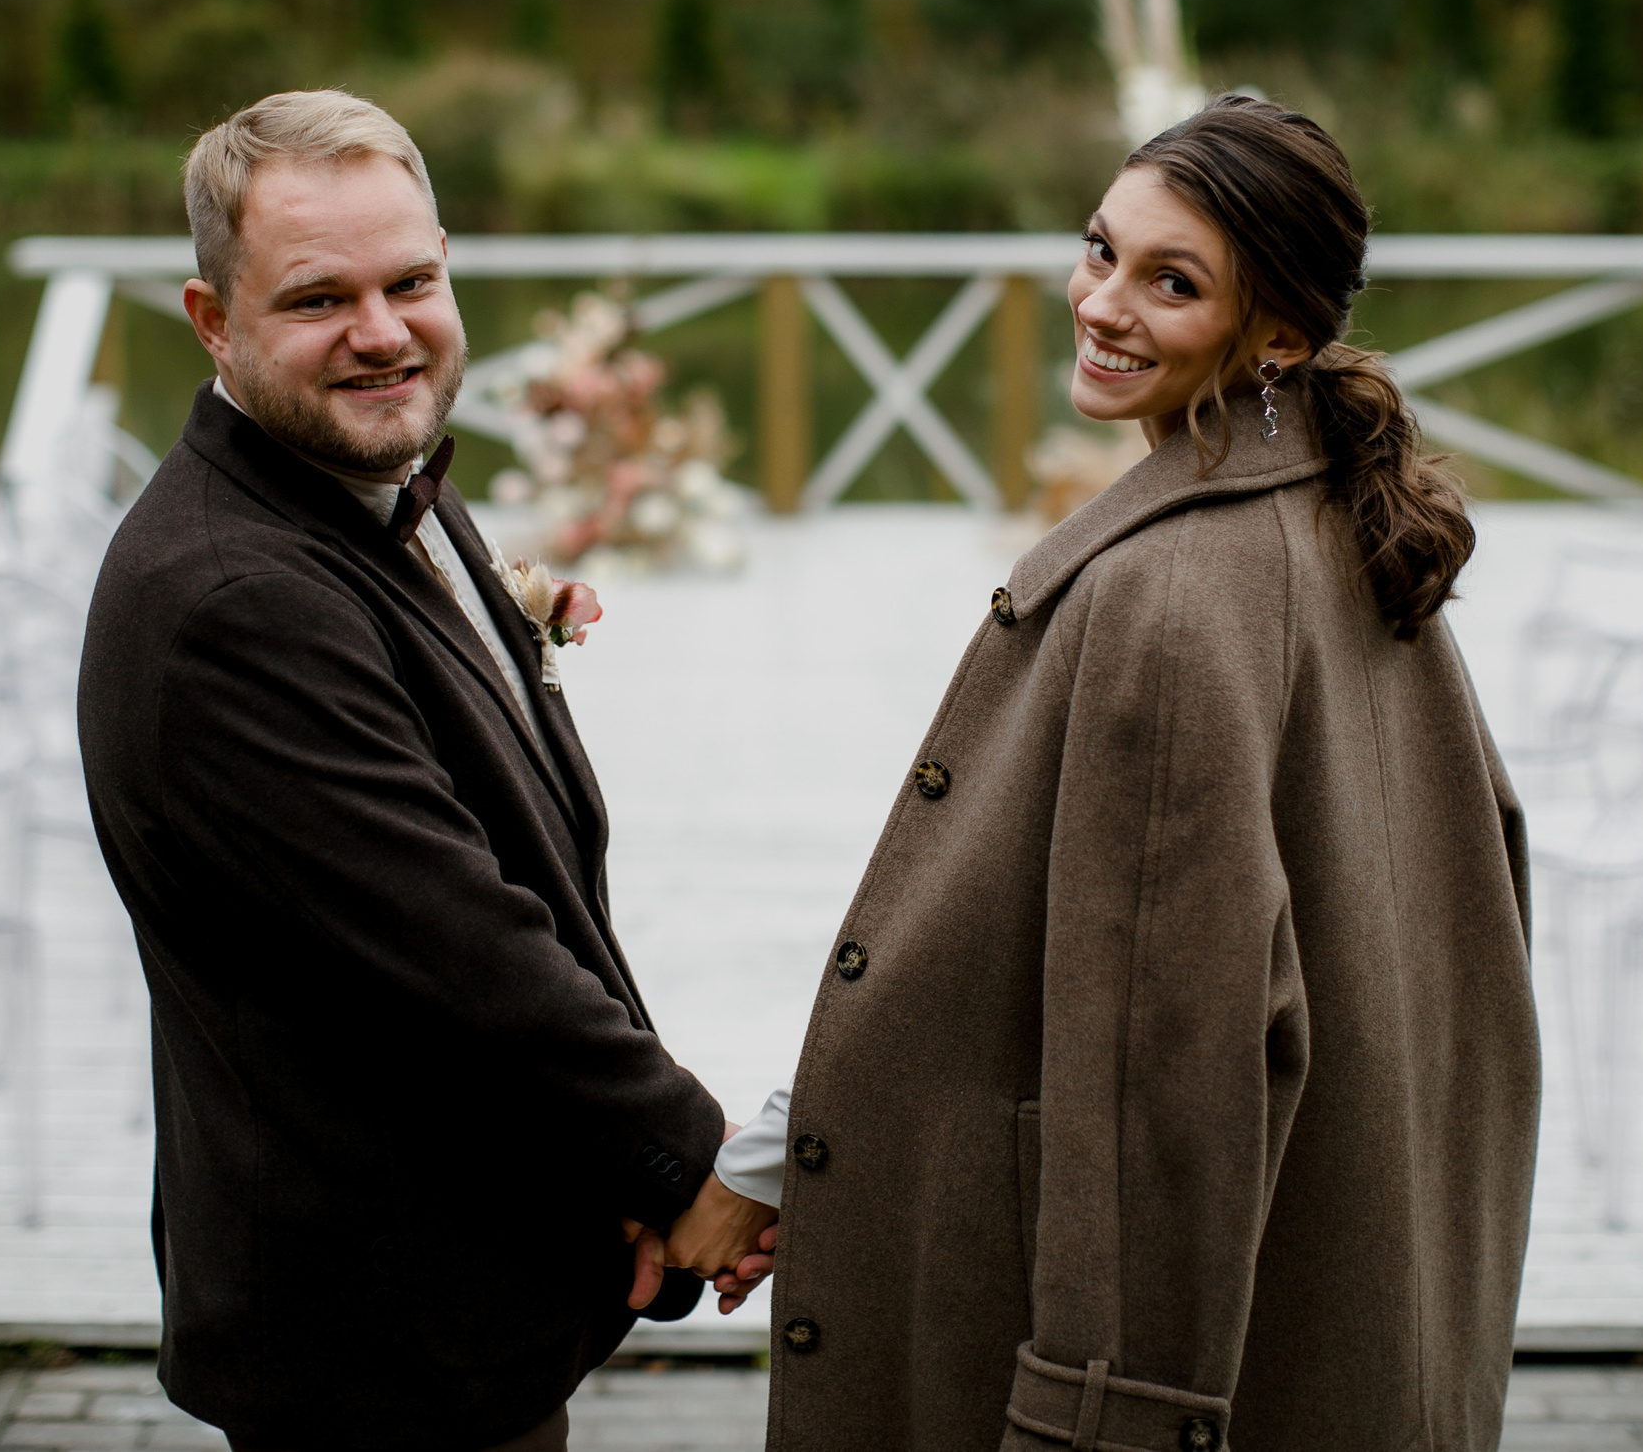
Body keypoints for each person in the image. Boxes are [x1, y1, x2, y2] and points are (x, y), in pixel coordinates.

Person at [732, 95, 1541, 1451]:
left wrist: (1095, 1420)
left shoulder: (1171, 599)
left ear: (1280, 334)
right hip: (1368, 1327)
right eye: (1099, 251)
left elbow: (1165, 1076)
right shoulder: (1341, 515)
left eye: (1171, 283)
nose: (1102, 304)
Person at [78, 90, 749, 1452]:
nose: (384, 333)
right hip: (373, 1344)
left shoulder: (378, 487)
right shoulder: (233, 602)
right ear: (214, 323)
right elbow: (457, 950)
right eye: (320, 298)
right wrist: (683, 1161)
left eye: (415, 282)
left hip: (467, 1288)